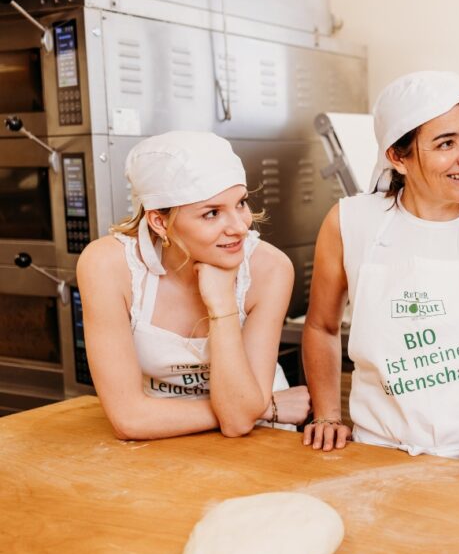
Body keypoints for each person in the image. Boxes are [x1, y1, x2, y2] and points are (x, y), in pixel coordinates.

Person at [302, 71, 459, 476]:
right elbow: (321, 327)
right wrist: (327, 414)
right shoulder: (349, 223)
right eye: (446, 144)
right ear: (397, 157)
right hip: (378, 462)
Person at [78, 131, 310, 439]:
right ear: (159, 222)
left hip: (259, 438)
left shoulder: (269, 269)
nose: (240, 227)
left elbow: (239, 423)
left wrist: (222, 305)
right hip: (159, 442)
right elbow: (130, 420)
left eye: (240, 203)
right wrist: (261, 407)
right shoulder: (108, 265)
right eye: (212, 213)